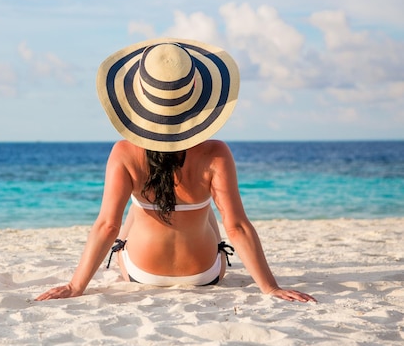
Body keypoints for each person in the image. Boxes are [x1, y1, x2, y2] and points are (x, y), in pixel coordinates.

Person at [36, 38, 316, 303]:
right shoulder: (216, 153)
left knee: (135, 208)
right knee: (208, 210)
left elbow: (107, 226)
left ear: (140, 100)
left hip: (141, 272)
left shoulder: (123, 152)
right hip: (204, 273)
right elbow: (237, 226)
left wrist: (76, 286)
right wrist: (270, 287)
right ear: (196, 99)